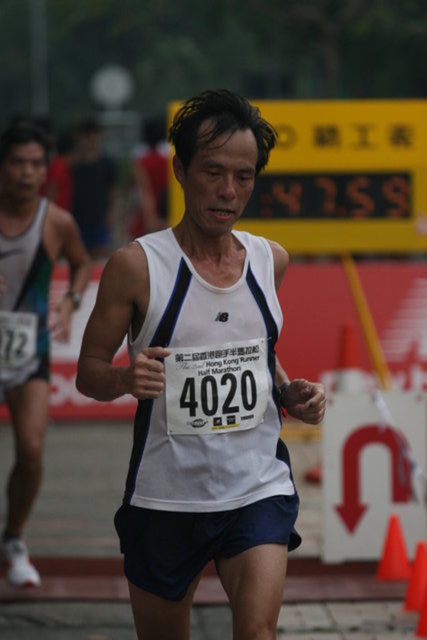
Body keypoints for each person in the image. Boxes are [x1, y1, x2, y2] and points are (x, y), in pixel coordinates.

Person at [76, 89, 326, 640]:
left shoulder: (270, 260)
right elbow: (88, 371)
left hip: (256, 486)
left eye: (244, 176)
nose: (229, 190)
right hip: (165, 496)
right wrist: (123, 378)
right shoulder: (137, 266)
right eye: (213, 172)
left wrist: (290, 392)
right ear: (180, 171)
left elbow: (257, 352)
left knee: (257, 633)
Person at [0, 121, 92, 587]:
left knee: (32, 450)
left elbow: (82, 262)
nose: (26, 172)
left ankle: (14, 538)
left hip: (27, 352)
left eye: (36, 164)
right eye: (17, 162)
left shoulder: (55, 222)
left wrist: (70, 301)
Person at [72, 118, 118, 259]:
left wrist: (111, 213)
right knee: (79, 255)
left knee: (99, 255)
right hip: (78, 216)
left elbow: (112, 190)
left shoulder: (106, 163)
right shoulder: (74, 164)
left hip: (99, 216)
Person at [128, 116, 169, 239]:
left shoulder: (140, 163)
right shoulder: (169, 162)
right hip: (166, 218)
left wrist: (149, 219)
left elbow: (144, 192)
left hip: (146, 218)